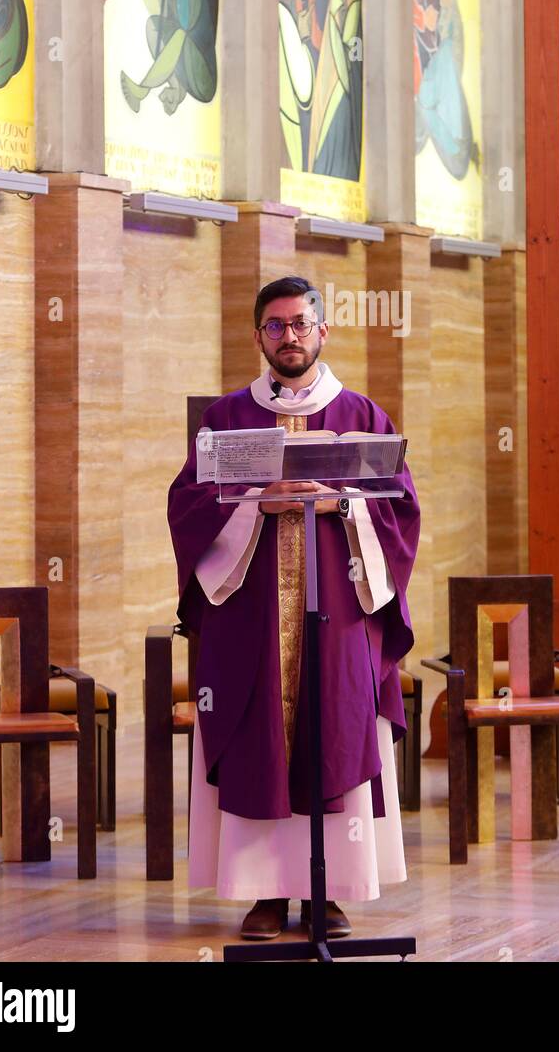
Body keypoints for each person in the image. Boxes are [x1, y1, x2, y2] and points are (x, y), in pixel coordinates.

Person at [167, 276, 420, 940]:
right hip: (251, 617)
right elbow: (188, 505)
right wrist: (258, 504)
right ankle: (264, 896)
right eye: (276, 326)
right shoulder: (225, 419)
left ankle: (328, 893)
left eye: (301, 324)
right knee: (258, 738)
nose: (290, 337)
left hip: (338, 614)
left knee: (333, 726)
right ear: (258, 337)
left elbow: (402, 511)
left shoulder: (364, 416)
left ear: (322, 331)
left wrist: (341, 504)